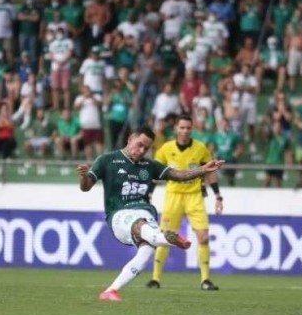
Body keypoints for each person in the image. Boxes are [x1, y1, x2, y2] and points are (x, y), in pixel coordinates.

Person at [77, 126, 224, 302]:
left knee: (146, 251)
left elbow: (179, 175)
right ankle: (166, 238)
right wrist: (84, 177)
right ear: (130, 138)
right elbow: (86, 187)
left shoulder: (149, 165)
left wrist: (203, 170)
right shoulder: (107, 160)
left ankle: (111, 291)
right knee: (142, 227)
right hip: (120, 213)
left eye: (146, 148)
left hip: (146, 213)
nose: (141, 151)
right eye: (139, 145)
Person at [147, 115, 224, 291]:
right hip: (173, 196)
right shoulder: (165, 148)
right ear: (176, 128)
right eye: (182, 127)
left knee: (203, 237)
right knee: (165, 237)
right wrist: (148, 194)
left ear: (192, 129)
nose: (185, 131)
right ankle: (155, 279)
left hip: (194, 196)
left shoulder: (200, 148)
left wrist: (218, 196)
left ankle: (205, 280)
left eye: (188, 128)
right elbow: (155, 174)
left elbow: (210, 172)